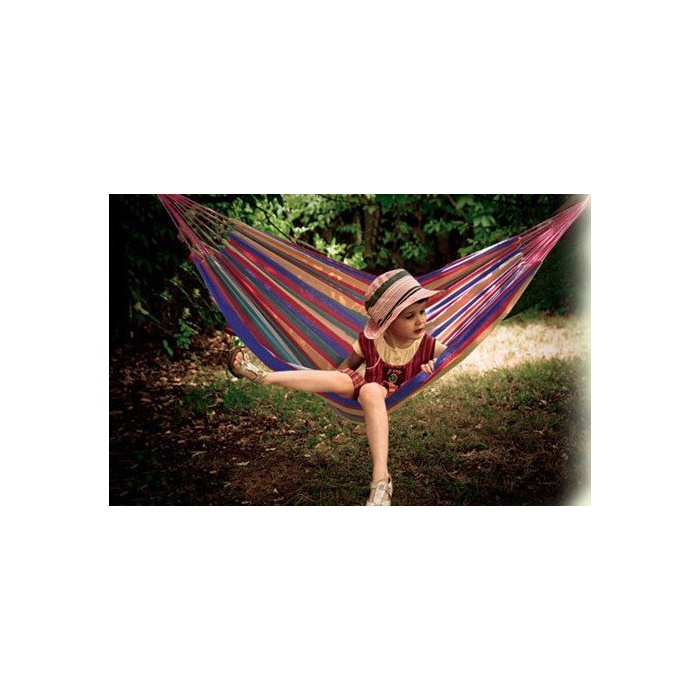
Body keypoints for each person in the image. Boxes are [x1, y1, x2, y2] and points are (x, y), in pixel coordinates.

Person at [228, 269, 448, 506]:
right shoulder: (370, 342)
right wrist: (335, 386)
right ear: (387, 322)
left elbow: (450, 356)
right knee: (345, 380)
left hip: (384, 392)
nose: (420, 320)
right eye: (410, 316)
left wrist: (433, 365)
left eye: (422, 311)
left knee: (371, 390)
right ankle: (264, 377)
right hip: (363, 389)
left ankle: (381, 479)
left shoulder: (428, 345)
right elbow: (346, 368)